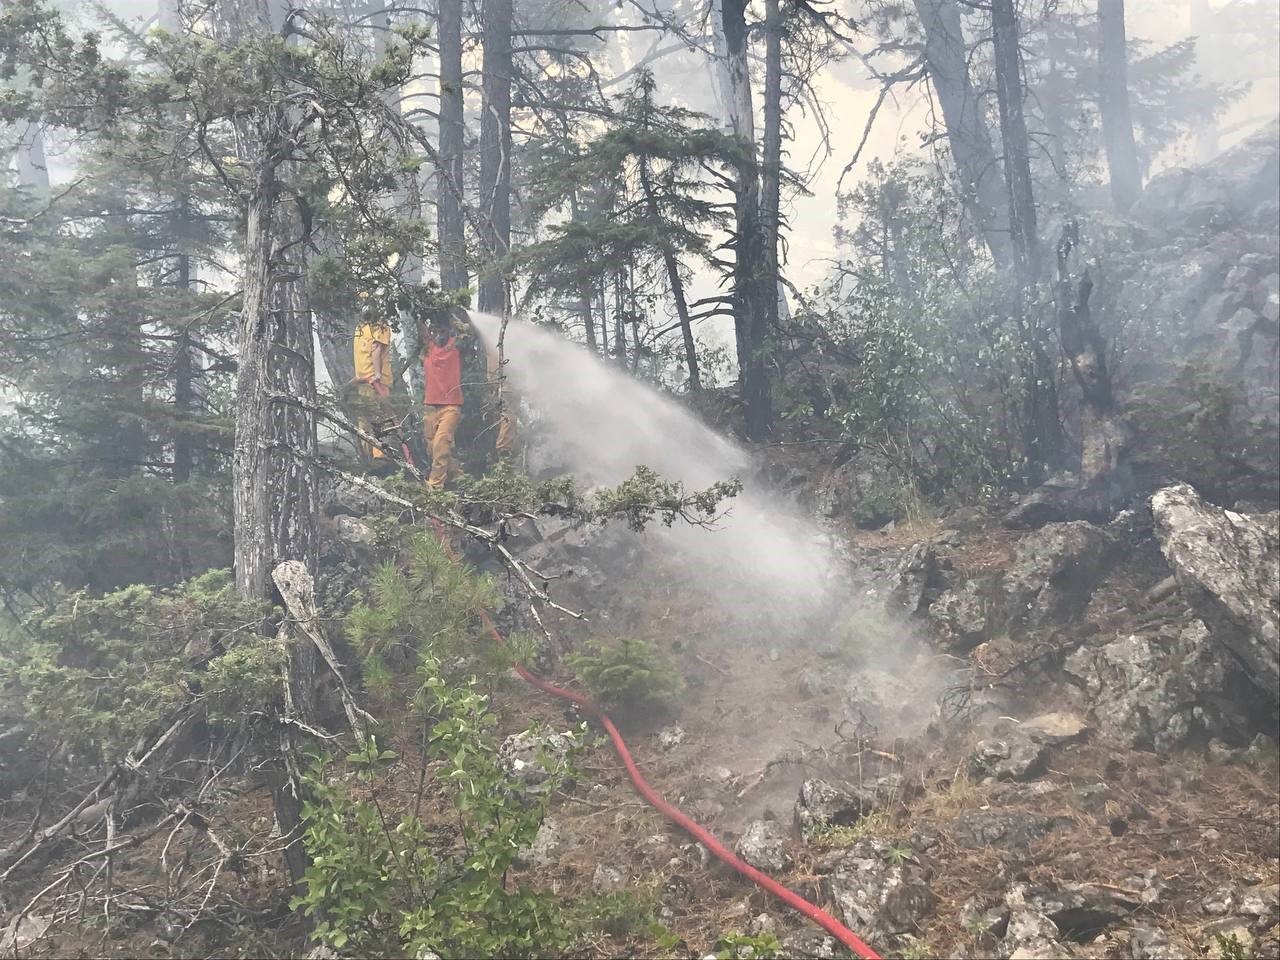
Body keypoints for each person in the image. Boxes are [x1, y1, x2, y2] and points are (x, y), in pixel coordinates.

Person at [420, 310, 466, 489]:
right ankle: (460, 479)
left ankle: (434, 488)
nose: (439, 335)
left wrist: (453, 312)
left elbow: (466, 330)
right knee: (433, 449)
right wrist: (421, 310)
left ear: (449, 332)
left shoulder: (454, 347)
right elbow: (421, 327)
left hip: (451, 406)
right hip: (430, 407)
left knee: (440, 443)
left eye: (443, 332)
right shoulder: (429, 347)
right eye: (436, 331)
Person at [352, 304, 397, 470]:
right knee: (364, 421)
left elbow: (377, 348)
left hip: (376, 381)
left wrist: (377, 374)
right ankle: (369, 460)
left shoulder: (381, 325)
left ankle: (381, 457)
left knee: (378, 416)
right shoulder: (360, 328)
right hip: (363, 381)